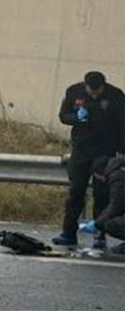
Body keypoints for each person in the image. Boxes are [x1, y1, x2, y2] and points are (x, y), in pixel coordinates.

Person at [52, 71, 125, 248]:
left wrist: (122, 152)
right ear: (85, 86)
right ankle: (68, 232)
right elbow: (63, 116)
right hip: (81, 150)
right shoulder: (74, 92)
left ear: (103, 86)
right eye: (91, 90)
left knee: (101, 194)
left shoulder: (115, 96)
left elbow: (123, 125)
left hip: (105, 151)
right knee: (75, 192)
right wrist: (76, 118)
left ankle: (99, 234)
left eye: (97, 90)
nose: (94, 94)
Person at [78, 155, 124, 255]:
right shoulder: (120, 170)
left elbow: (115, 207)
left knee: (112, 225)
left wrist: (97, 224)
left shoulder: (118, 179)